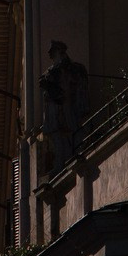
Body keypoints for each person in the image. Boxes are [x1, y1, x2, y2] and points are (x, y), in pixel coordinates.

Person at [39, 39, 89, 167]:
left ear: (59, 51)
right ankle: (60, 160)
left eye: (52, 51)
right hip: (53, 107)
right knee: (56, 134)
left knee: (69, 130)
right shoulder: (52, 69)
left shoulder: (70, 68)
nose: (49, 54)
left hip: (65, 106)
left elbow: (70, 86)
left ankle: (68, 157)